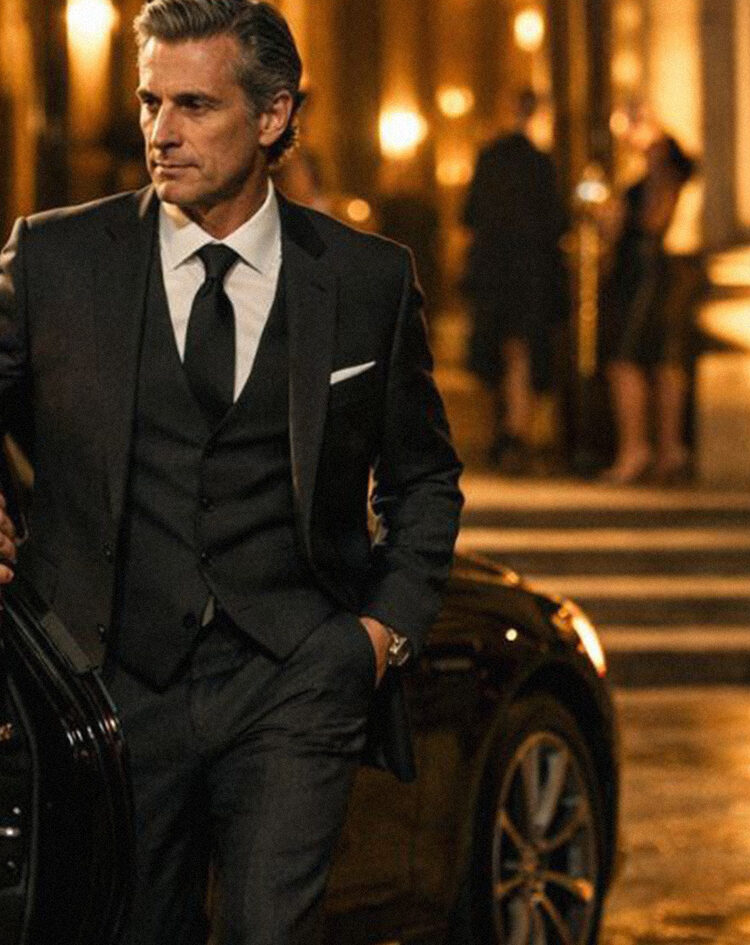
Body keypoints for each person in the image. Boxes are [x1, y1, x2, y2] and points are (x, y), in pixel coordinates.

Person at [0, 1, 464, 942]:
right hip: (109, 683)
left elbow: (423, 477)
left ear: (273, 115)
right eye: (150, 102)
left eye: (195, 105)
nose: (161, 132)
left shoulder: (366, 279)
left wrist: (378, 636)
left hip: (296, 675)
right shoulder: (55, 257)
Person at [460, 87, 568, 474]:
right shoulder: (540, 163)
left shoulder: (490, 159)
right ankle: (515, 433)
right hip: (530, 270)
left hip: (496, 270)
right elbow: (557, 220)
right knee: (520, 351)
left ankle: (505, 434)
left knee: (498, 352)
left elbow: (469, 216)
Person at [596, 128, 701, 484]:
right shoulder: (648, 184)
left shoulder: (663, 185)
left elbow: (654, 224)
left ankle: (639, 449)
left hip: (646, 278)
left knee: (628, 362)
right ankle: (666, 450)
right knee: (660, 363)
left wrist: (616, 218)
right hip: (647, 275)